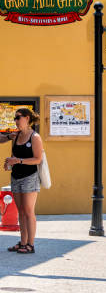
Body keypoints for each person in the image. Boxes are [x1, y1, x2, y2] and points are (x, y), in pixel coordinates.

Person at [3, 108, 43, 254]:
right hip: (16, 177)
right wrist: (9, 164)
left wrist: (18, 160)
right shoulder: (15, 136)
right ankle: (23, 242)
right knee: (20, 211)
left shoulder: (35, 137)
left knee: (28, 211)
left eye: (18, 117)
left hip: (30, 178)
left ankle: (30, 244)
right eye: (15, 118)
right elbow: (13, 155)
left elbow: (38, 159)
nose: (16, 121)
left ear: (27, 118)